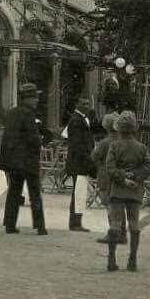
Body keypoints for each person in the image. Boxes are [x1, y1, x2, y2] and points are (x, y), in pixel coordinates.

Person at [0, 82, 48, 235]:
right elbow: (33, 138)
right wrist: (42, 140)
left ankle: (10, 224)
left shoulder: (12, 113)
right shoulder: (29, 114)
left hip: (13, 161)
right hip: (28, 160)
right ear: (28, 98)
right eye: (35, 97)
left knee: (14, 192)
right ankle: (40, 226)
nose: (37, 100)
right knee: (34, 193)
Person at [105, 110, 150, 272]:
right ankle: (132, 260)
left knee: (115, 224)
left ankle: (111, 260)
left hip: (118, 189)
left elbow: (109, 168)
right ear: (134, 129)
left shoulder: (114, 146)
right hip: (135, 190)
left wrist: (123, 178)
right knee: (134, 225)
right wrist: (135, 176)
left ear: (118, 129)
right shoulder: (142, 147)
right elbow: (148, 167)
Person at [91, 112, 126, 245]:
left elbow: (94, 157)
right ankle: (122, 234)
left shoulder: (105, 142)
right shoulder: (122, 141)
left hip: (106, 177)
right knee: (120, 206)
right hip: (120, 177)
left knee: (109, 206)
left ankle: (113, 234)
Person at [66, 95, 95, 231]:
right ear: (77, 104)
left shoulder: (83, 119)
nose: (86, 106)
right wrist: (88, 159)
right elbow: (78, 145)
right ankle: (75, 223)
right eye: (83, 103)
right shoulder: (76, 120)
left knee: (79, 192)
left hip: (80, 161)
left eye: (88, 103)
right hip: (79, 162)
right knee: (79, 192)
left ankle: (76, 221)